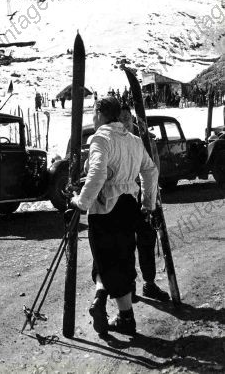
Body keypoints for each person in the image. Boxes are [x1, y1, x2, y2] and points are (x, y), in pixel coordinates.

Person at [71, 96, 158, 336]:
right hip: (129, 205)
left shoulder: (101, 137)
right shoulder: (134, 140)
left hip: (106, 208)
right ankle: (125, 316)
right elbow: (150, 171)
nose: (92, 117)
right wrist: (148, 203)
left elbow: (97, 174)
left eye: (94, 113)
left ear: (100, 114)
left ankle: (112, 307)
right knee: (123, 258)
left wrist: (81, 202)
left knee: (106, 259)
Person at [119, 105, 169, 303]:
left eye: (127, 118)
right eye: (120, 119)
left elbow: (153, 167)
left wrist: (152, 196)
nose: (124, 123)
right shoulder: (114, 140)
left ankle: (149, 283)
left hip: (144, 195)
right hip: (123, 198)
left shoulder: (144, 141)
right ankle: (129, 286)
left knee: (146, 240)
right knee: (125, 243)